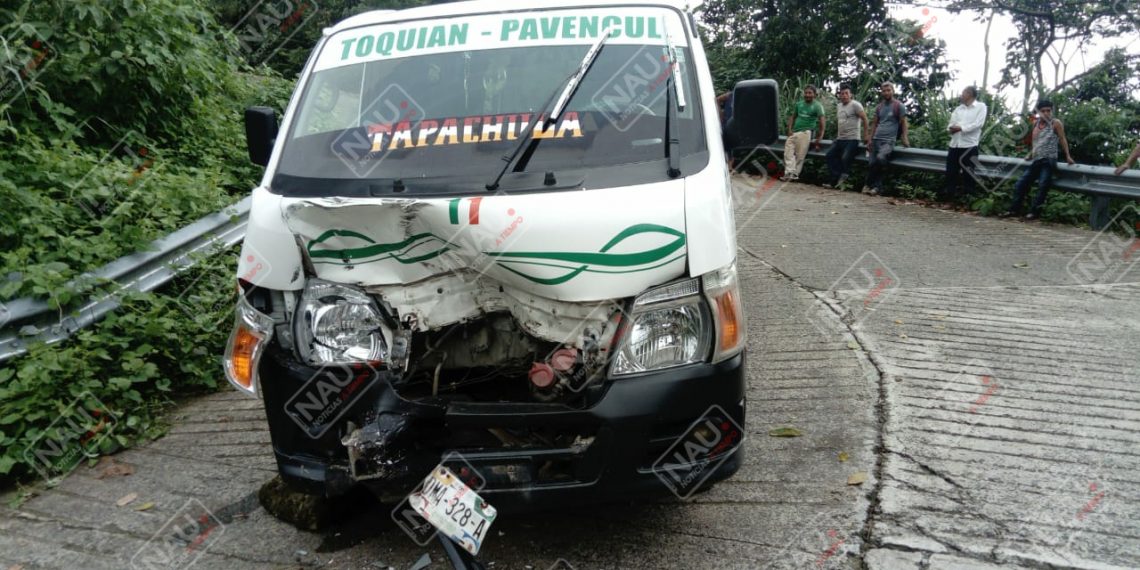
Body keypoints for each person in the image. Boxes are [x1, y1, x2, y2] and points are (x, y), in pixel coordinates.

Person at [1001, 99, 1075, 220]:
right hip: (1036, 159)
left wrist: (1068, 156)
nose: (1046, 113)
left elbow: (1062, 139)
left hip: (1049, 159)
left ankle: (1034, 213)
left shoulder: (1055, 123)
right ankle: (1014, 210)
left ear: (1052, 111)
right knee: (1021, 184)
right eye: (1043, 111)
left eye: (1048, 110)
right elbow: (1036, 142)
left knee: (1043, 185)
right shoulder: (1035, 124)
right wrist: (1030, 154)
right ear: (1038, 112)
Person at [863, 82, 909, 195]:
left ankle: (876, 186)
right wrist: (869, 138)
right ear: (881, 92)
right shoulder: (879, 107)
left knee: (881, 158)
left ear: (893, 91)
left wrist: (905, 137)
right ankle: (872, 186)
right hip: (876, 139)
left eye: (888, 90)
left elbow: (903, 123)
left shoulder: (898, 106)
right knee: (872, 163)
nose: (886, 92)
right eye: (884, 91)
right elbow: (874, 123)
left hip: (889, 140)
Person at [944, 85, 987, 198]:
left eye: (963, 93)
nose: (961, 95)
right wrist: (951, 129)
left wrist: (961, 128)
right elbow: (950, 124)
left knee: (969, 174)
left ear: (969, 94)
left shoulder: (981, 107)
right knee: (950, 173)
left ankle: (968, 200)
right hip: (954, 145)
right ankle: (950, 198)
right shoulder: (959, 109)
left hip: (969, 145)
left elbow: (978, 124)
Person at [824, 84, 868, 190]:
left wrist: (866, 135)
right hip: (840, 138)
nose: (844, 96)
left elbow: (865, 119)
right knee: (829, 155)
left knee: (845, 158)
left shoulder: (855, 105)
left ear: (850, 95)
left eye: (846, 93)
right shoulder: (839, 106)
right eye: (842, 93)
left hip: (852, 138)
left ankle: (843, 178)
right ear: (839, 95)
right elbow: (840, 122)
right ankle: (834, 179)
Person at [782, 85, 825, 182]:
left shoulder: (817, 106)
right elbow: (793, 116)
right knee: (788, 151)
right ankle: (789, 172)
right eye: (806, 93)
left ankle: (794, 174)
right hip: (795, 132)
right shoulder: (799, 104)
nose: (807, 95)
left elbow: (822, 122)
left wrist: (820, 137)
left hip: (806, 132)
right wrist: (789, 129)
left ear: (814, 94)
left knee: (800, 155)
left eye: (810, 93)